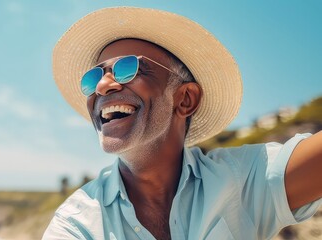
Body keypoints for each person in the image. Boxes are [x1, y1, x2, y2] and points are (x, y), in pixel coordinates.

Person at [43, 7, 322, 240]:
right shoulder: (76, 224)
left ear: (186, 99)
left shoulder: (243, 179)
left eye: (127, 68)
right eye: (93, 78)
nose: (102, 86)